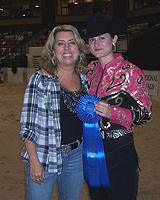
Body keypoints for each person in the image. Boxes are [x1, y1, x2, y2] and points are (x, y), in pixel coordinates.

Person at [83, 12, 152, 200]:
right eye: (92, 40)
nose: (96, 44)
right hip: (91, 152)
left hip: (120, 152)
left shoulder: (130, 72)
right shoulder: (89, 71)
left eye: (101, 38)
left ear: (114, 38)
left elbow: (145, 114)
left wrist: (112, 112)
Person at [19, 24, 89, 200]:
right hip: (43, 156)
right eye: (60, 43)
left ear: (79, 48)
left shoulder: (85, 79)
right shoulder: (40, 79)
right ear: (52, 50)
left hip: (76, 157)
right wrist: (34, 162)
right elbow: (27, 126)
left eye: (71, 42)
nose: (66, 48)